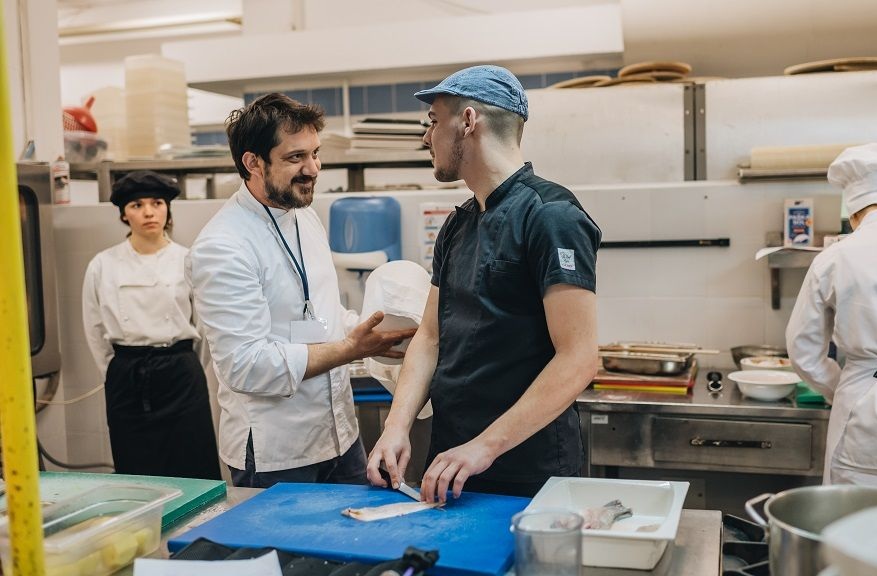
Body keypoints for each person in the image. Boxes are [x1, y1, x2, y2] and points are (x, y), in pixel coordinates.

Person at [366, 65, 602, 502]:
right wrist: (396, 426)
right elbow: (430, 337)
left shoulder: (551, 216)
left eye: (433, 121)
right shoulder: (458, 224)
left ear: (468, 121)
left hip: (526, 472)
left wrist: (484, 448)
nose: (427, 137)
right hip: (452, 462)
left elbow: (579, 359)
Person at [187, 93, 416, 489]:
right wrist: (350, 349)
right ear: (253, 163)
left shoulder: (305, 217)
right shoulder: (223, 246)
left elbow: (321, 314)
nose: (313, 169)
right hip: (277, 451)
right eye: (295, 157)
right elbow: (245, 364)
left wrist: (379, 328)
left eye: (315, 153)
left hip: (339, 435)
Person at [82, 170, 220, 479]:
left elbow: (204, 329)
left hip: (180, 375)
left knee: (193, 464)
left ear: (167, 209)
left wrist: (183, 364)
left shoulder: (187, 260)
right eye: (137, 205)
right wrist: (117, 372)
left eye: (157, 203)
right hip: (127, 377)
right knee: (135, 466)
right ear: (124, 214)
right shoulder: (103, 265)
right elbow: (94, 329)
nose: (148, 212)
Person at [786, 142, 877, 488]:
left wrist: (843, 384)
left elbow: (803, 349)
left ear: (854, 214)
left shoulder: (836, 257)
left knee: (858, 519)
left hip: (865, 416)